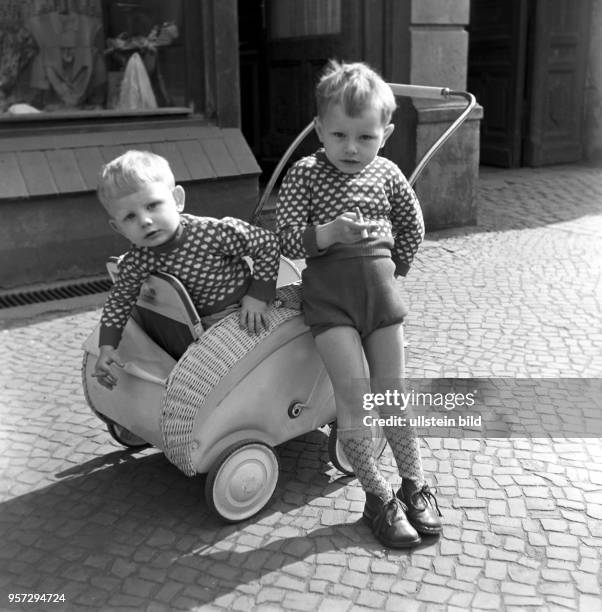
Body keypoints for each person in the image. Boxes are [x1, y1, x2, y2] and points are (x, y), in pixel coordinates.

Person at [277, 60, 442, 548]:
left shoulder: (389, 175)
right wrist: (327, 234)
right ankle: (378, 495)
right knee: (356, 399)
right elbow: (283, 238)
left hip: (382, 302)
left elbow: (413, 227)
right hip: (331, 306)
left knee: (391, 395)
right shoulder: (306, 174)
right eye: (339, 135)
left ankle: (413, 484)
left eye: (365, 137)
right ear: (319, 130)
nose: (351, 148)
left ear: (385, 134)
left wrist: (396, 270)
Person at [94, 149, 280, 390]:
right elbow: (119, 301)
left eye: (153, 205)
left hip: (242, 313)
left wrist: (258, 296)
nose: (145, 220)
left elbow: (267, 243)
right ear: (118, 228)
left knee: (246, 379)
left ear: (177, 199)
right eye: (130, 217)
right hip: (190, 328)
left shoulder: (210, 233)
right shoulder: (136, 260)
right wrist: (106, 347)